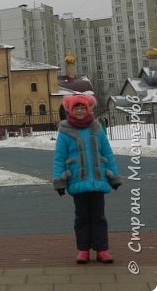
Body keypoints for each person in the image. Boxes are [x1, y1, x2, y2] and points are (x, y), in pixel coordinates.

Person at [53, 94, 122, 264]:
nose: (79, 110)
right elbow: (59, 158)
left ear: (87, 109)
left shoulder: (97, 128)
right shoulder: (65, 131)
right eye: (76, 108)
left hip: (98, 180)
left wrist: (114, 176)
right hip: (77, 180)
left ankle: (102, 249)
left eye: (82, 108)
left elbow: (107, 153)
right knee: (82, 217)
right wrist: (59, 181)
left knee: (99, 217)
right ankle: (83, 250)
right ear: (70, 110)